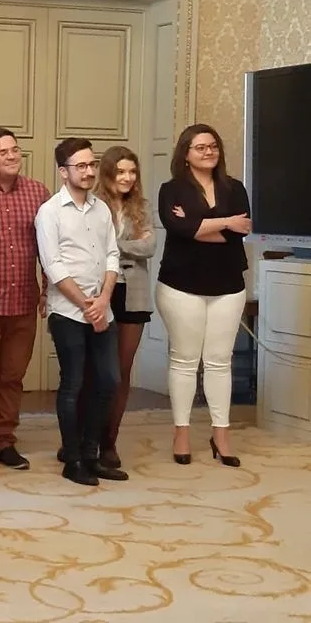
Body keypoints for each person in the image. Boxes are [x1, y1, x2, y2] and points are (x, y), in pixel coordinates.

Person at [155, 124, 250, 467]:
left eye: (213, 146)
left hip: (229, 285)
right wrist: (223, 222)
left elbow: (240, 231)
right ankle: (181, 433)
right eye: (200, 147)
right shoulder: (171, 190)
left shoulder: (235, 188)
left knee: (219, 361)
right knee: (184, 360)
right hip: (181, 285)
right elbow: (179, 228)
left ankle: (221, 435)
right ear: (185, 154)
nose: (209, 152)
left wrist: (199, 224)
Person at [34, 137, 127, 486]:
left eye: (92, 164)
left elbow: (112, 254)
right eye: (81, 166)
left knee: (109, 380)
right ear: (63, 171)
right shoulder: (49, 212)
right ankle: (72, 460)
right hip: (68, 313)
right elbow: (53, 265)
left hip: (103, 309)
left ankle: (92, 454)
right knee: (73, 383)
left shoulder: (101, 209)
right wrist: (86, 304)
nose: (89, 172)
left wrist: (103, 300)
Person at [0, 127, 50, 472]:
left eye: (15, 150)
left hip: (23, 301)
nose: (12, 156)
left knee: (13, 374)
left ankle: (4, 439)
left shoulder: (37, 192)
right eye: (3, 152)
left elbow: (50, 246)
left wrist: (47, 289)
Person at [86, 146, 156, 469]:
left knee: (122, 371)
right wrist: (126, 248)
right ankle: (84, 438)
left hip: (134, 293)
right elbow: (92, 250)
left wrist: (115, 247)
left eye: (132, 172)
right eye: (121, 171)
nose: (127, 178)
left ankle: (109, 441)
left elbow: (150, 245)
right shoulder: (92, 205)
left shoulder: (141, 207)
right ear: (107, 173)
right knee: (97, 370)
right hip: (101, 290)